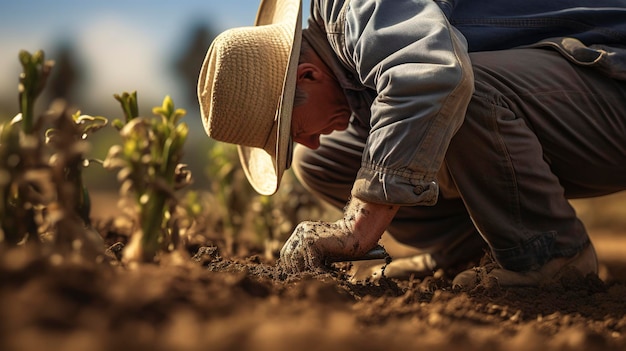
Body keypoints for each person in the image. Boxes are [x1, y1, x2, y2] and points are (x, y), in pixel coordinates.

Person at [198, 0, 626, 287]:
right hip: (575, 111)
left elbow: (432, 75)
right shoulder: (349, 64)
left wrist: (357, 227)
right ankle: (470, 250)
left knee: (449, 89)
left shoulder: (357, 8)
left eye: (294, 131)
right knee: (326, 162)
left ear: (308, 76)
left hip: (612, 80)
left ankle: (548, 254)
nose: (307, 142)